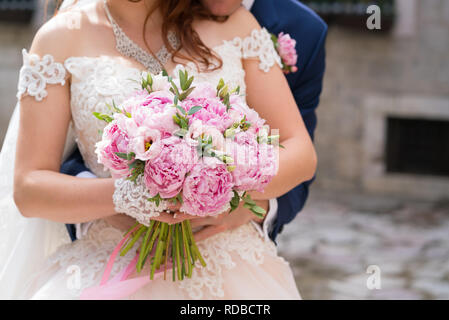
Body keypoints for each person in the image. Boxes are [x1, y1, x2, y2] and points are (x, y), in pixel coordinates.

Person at [0, 0, 317, 299]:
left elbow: (299, 152)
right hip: (111, 262)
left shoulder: (235, 26)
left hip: (230, 265)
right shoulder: (60, 39)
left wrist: (221, 186)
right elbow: (30, 187)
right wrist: (128, 196)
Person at [63, 0, 328, 245]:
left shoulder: (300, 30)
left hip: (226, 245)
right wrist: (123, 197)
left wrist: (237, 201)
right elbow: (67, 154)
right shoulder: (74, 33)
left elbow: (298, 153)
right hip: (111, 239)